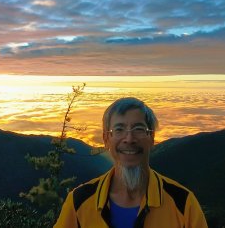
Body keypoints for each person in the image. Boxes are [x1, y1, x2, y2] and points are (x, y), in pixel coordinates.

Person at [54, 97, 208, 228]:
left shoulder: (183, 204)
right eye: (119, 129)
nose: (129, 139)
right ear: (106, 139)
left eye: (139, 129)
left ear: (152, 138)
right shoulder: (79, 202)